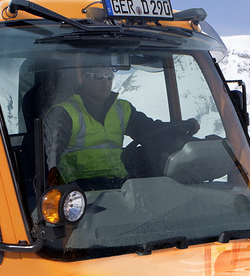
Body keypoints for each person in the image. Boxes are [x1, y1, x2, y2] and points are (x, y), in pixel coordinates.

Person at [45, 62, 196, 186]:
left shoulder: (122, 109)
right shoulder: (65, 113)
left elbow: (150, 130)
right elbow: (50, 157)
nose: (106, 83)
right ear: (84, 79)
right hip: (79, 189)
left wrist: (179, 128)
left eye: (110, 77)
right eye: (99, 77)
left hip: (118, 185)